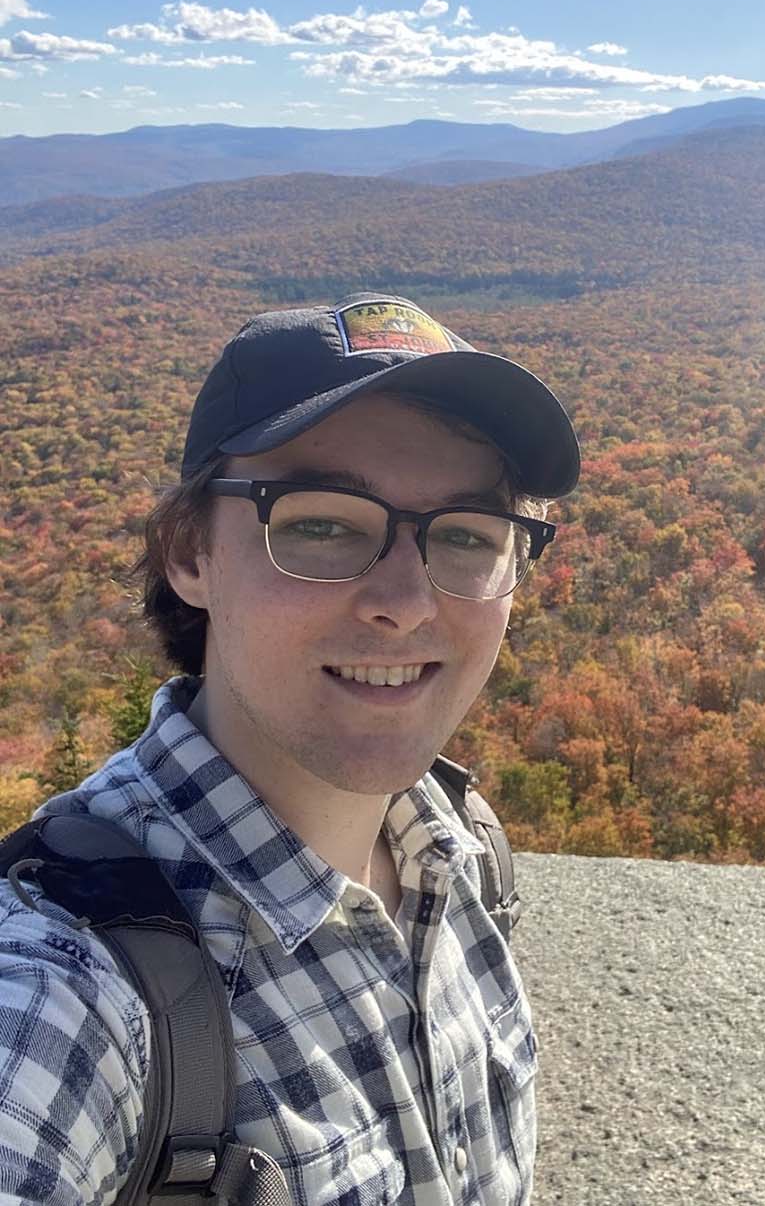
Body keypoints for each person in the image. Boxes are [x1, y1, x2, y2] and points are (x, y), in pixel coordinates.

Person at [0, 293, 580, 1206]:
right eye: (321, 522)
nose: (408, 600)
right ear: (190, 552)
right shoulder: (72, 987)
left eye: (466, 537)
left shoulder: (460, 853)